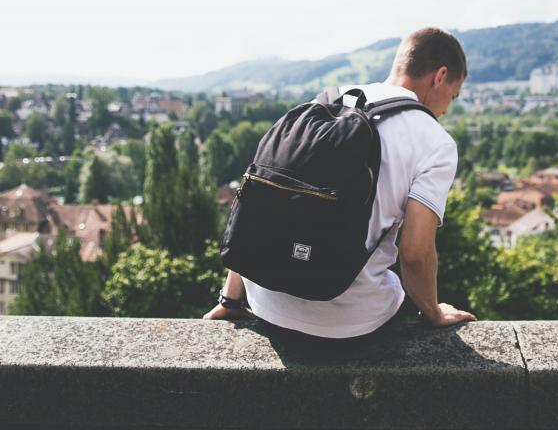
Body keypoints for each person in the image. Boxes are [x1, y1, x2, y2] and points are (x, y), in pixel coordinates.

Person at [203, 27, 477, 341]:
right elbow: (415, 254)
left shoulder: (324, 102)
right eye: (452, 97)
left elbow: (267, 199)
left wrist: (231, 300)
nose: (445, 108)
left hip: (265, 303)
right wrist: (435, 313)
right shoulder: (435, 142)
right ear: (440, 76)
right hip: (349, 324)